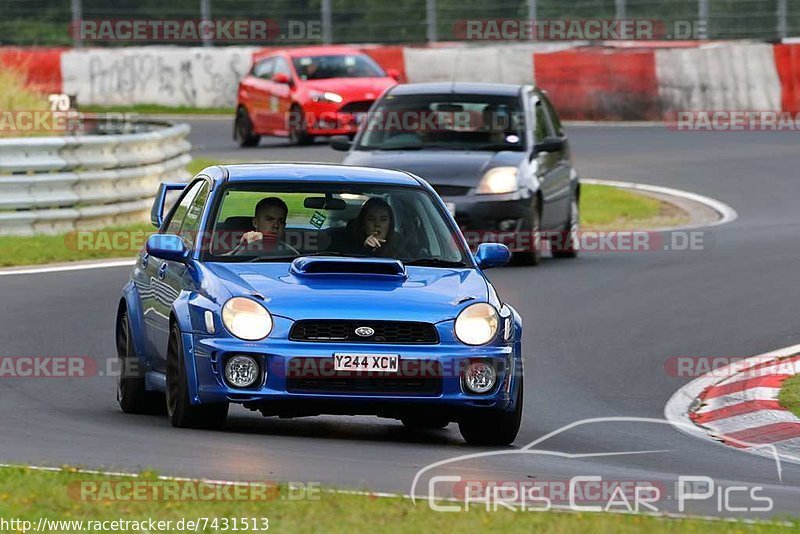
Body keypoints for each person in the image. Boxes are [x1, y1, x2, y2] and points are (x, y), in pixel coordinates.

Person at [228, 197, 298, 256]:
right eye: (269, 219)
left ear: (284, 225)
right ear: (255, 222)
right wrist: (240, 247)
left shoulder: (295, 249)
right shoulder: (240, 245)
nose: (276, 225)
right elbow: (219, 262)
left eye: (281, 221)